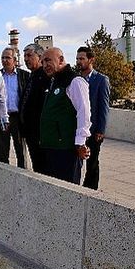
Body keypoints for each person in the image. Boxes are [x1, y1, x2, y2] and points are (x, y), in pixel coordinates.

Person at [39, 47, 91, 184]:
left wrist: (80, 143)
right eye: (43, 61)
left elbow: (84, 112)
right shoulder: (54, 82)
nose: (45, 65)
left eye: (48, 60)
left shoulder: (75, 82)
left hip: (66, 150)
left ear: (61, 59)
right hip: (51, 147)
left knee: (68, 192)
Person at [76, 46, 110, 190]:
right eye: (77, 59)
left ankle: (91, 191)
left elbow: (103, 107)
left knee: (93, 163)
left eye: (82, 59)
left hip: (94, 130)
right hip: (78, 130)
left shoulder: (101, 80)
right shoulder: (75, 80)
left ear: (91, 60)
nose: (78, 62)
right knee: (77, 162)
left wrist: (100, 130)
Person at [19, 43, 50, 174]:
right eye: (24, 56)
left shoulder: (46, 77)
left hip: (40, 133)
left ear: (40, 56)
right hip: (30, 132)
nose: (26, 59)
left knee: (44, 168)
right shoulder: (31, 76)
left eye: (29, 55)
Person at [0, 47, 29, 167]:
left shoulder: (24, 76)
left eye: (8, 57)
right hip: (3, 118)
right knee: (2, 149)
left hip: (18, 118)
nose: (5, 60)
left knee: (20, 150)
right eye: (3, 57)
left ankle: (23, 173)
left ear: (15, 60)